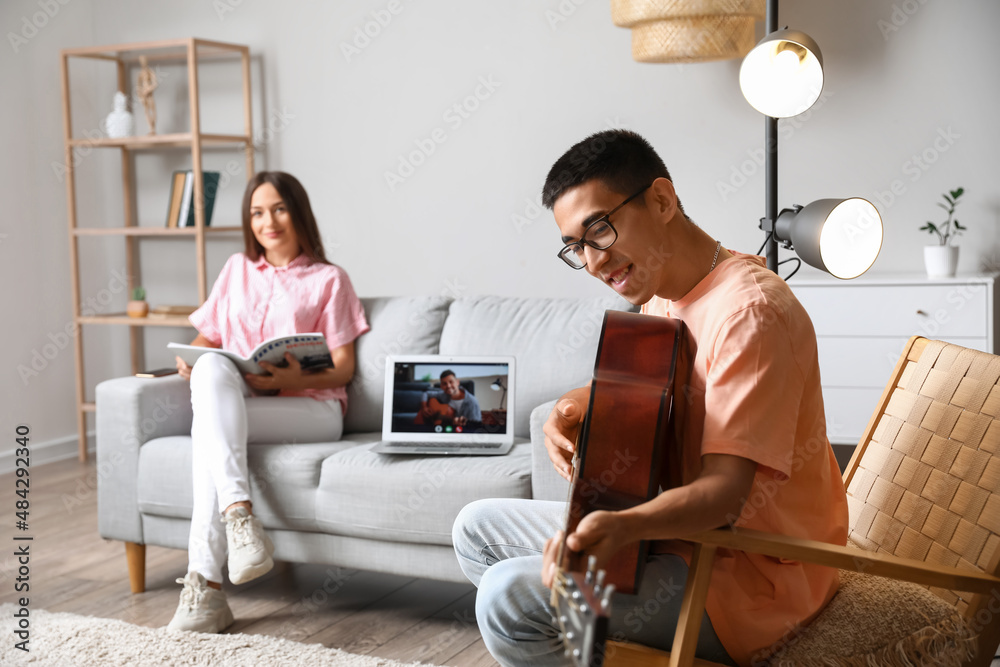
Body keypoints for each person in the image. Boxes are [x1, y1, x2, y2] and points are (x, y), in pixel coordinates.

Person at [452, 130, 848, 666]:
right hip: (676, 538)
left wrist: (622, 525)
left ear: (661, 199)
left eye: (599, 230)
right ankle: (593, 648)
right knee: (475, 528)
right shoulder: (664, 294)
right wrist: (571, 408)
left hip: (752, 576)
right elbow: (649, 389)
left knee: (508, 596)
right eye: (575, 246)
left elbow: (725, 497)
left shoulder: (749, 314)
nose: (592, 262)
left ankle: (587, 642)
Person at [166, 171, 369, 633]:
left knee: (208, 434)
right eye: (257, 212)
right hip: (244, 401)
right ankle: (238, 521)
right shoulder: (237, 269)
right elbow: (208, 336)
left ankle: (206, 587)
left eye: (278, 208)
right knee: (211, 371)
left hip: (313, 409)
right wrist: (191, 358)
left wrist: (294, 374)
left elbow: (343, 367)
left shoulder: (329, 279)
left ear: (298, 213)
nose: (267, 221)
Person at [417, 370, 482, 427]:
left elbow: (475, 427)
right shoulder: (443, 394)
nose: (448, 386)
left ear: (457, 382)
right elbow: (425, 393)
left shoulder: (472, 402)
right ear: (441, 386)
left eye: (451, 382)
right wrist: (424, 407)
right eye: (444, 384)